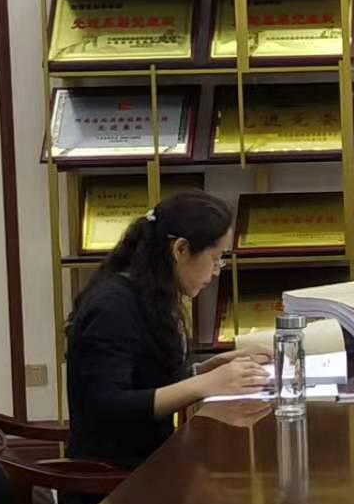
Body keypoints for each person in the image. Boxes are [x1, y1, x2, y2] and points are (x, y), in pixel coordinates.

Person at [66, 190, 271, 478]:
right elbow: (109, 408)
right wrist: (205, 384)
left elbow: (146, 378)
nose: (216, 272)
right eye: (215, 259)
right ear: (181, 249)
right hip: (112, 481)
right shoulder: (112, 307)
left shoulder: (150, 293)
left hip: (152, 461)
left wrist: (207, 369)